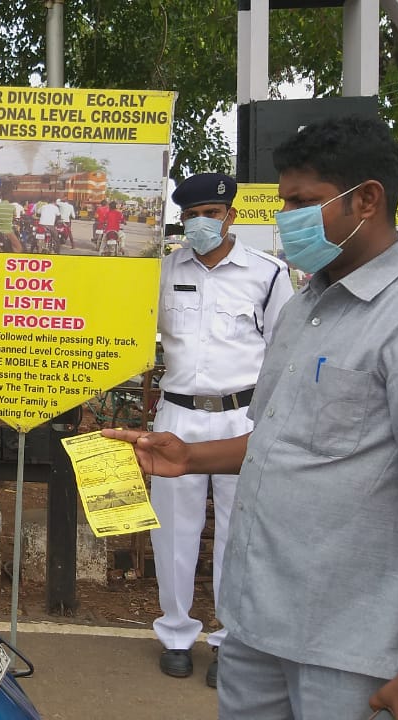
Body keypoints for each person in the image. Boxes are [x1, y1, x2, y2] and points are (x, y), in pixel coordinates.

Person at [104, 116, 398, 719]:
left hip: (348, 646)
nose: (286, 216)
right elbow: (286, 441)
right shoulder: (307, 306)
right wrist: (192, 457)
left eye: (302, 201)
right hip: (257, 625)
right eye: (284, 199)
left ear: (367, 199)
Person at [150, 172, 293, 688]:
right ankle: (176, 636)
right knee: (172, 532)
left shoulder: (268, 274)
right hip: (179, 413)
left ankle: (232, 641)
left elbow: (284, 349)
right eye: (191, 216)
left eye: (211, 213)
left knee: (242, 533)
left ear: (231, 215)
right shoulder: (162, 272)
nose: (201, 224)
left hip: (244, 415)